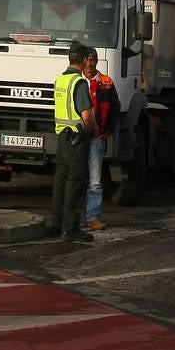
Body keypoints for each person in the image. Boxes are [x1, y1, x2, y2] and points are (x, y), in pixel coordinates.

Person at [48, 43, 96, 243]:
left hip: (62, 137)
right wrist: (94, 128)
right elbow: (86, 114)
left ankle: (55, 223)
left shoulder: (60, 80)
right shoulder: (79, 83)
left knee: (60, 181)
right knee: (75, 182)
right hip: (77, 137)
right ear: (85, 60)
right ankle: (71, 228)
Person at [82, 47, 119, 232]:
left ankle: (93, 217)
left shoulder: (106, 82)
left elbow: (115, 107)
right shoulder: (76, 80)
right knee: (75, 179)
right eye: (87, 60)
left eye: (93, 60)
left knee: (95, 181)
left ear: (96, 61)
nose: (90, 64)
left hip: (97, 138)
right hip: (78, 137)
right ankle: (71, 217)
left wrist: (109, 130)